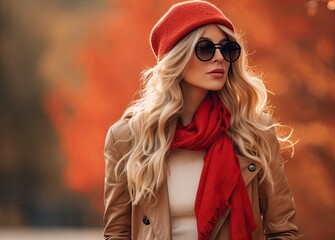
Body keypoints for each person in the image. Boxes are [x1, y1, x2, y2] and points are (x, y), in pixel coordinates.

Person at [103, 1, 302, 239]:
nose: (219, 58)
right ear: (178, 57)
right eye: (205, 48)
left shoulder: (255, 132)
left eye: (227, 49)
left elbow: (284, 231)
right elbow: (117, 234)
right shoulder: (127, 137)